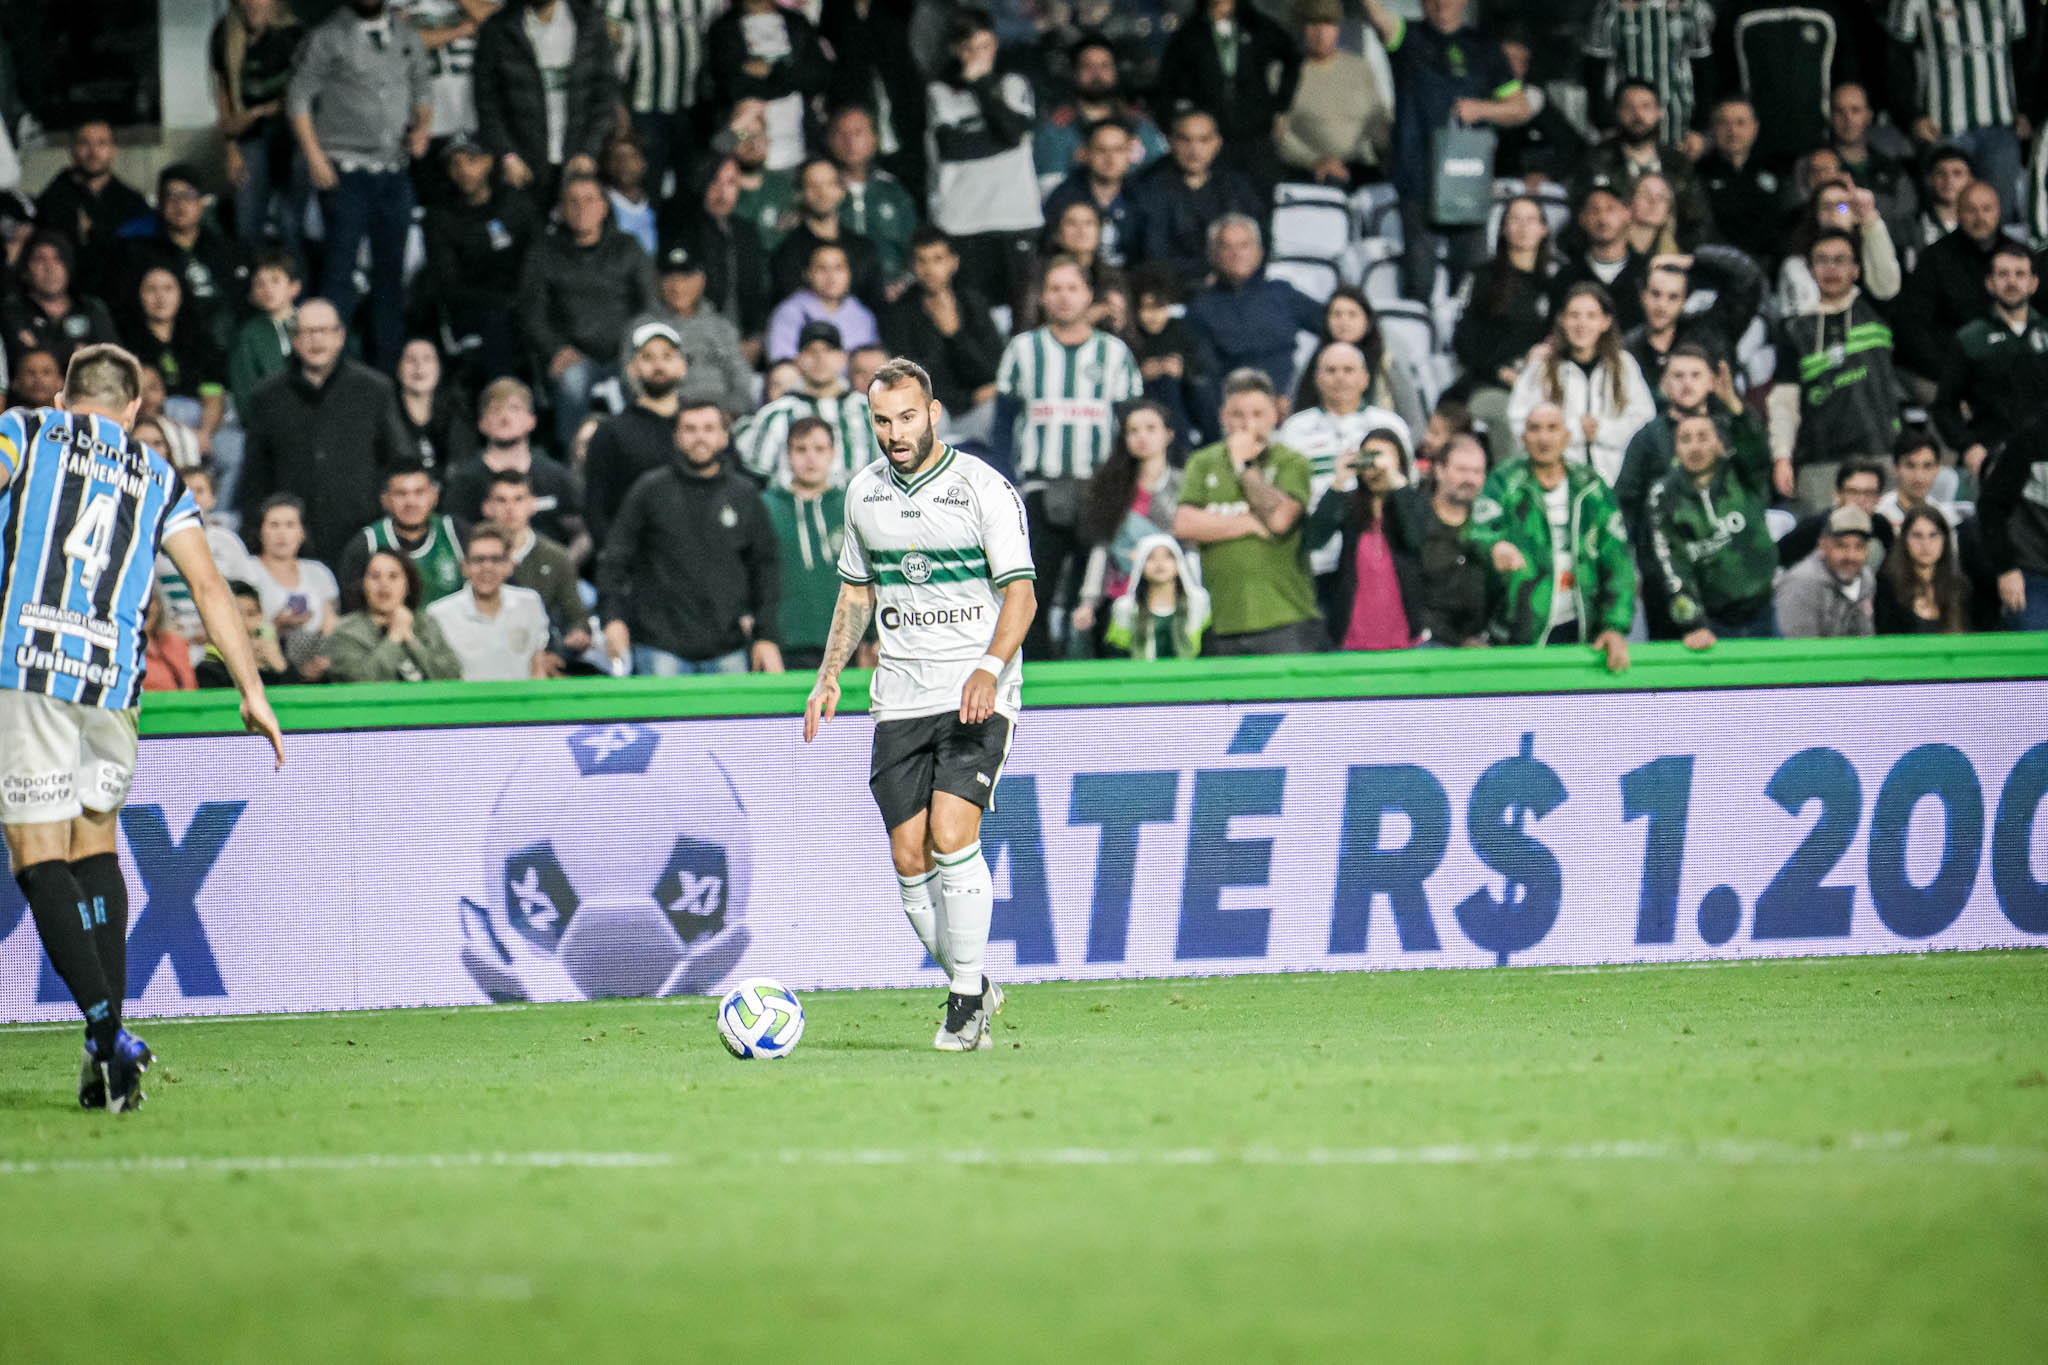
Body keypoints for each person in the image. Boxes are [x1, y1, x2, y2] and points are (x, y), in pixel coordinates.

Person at [0, 343, 283, 1112]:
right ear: (133, 410)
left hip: (29, 662)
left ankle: (105, 1033)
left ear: (65, 396)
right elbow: (208, 583)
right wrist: (252, 688)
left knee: (37, 853)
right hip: (114, 682)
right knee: (95, 843)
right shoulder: (160, 477)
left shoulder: (26, 431)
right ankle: (105, 1063)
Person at [802, 356, 1036, 1050]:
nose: (895, 431)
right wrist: (828, 675)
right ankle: (977, 980)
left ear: (934, 414)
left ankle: (964, 1004)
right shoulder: (863, 493)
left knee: (951, 833)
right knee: (910, 857)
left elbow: (1020, 592)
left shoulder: (982, 488)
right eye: (882, 419)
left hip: (974, 689)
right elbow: (856, 593)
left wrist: (991, 668)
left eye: (908, 416)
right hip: (899, 696)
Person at [992, 257, 1144, 657]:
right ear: (1042, 297)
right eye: (1055, 288)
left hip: (1099, 491)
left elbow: (1131, 423)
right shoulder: (1023, 351)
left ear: (1088, 295)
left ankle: (1101, 684)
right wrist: (1007, 482)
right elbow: (1003, 424)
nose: (1063, 297)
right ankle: (1039, 681)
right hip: (1041, 489)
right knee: (1032, 592)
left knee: (1096, 593)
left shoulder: (1115, 354)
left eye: (1072, 288)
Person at [287, 0, 432, 373]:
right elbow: (298, 97)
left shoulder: (405, 34)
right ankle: (330, 371)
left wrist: (423, 127)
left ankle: (385, 375)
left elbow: (422, 86)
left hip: (394, 170)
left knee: (391, 277)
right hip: (345, 170)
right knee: (339, 275)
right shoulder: (329, 36)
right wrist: (315, 157)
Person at [1360, 0, 1531, 303]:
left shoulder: (1485, 48)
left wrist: (1481, 109)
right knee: (1419, 280)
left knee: (1470, 282)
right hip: (1417, 178)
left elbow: (1520, 108)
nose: (1441, 4)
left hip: (1466, 179)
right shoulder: (1407, 36)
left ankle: (1464, 343)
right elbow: (1378, 16)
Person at [599, 399, 783, 676]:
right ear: (677, 437)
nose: (700, 437)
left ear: (724, 437)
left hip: (729, 646)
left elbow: (766, 567)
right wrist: (612, 617)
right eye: (690, 429)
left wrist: (766, 635)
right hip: (658, 647)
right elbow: (614, 557)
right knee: (661, 720)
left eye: (709, 428)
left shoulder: (744, 494)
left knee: (732, 722)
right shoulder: (650, 490)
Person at [235, 299, 413, 565]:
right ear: (294, 340)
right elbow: (256, 476)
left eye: (324, 331)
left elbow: (397, 460)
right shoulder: (267, 397)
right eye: (307, 332)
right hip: (292, 542)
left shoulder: (375, 390)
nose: (315, 340)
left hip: (362, 534)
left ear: (340, 336)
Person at [1465, 402, 1634, 671]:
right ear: (1523, 438)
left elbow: (1619, 563)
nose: (1544, 437)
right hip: (1517, 633)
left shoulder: (1591, 487)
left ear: (1567, 436)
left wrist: (1614, 626)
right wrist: (1494, 547)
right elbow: (1478, 532)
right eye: (1535, 429)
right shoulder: (1503, 482)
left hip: (1581, 630)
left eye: (1552, 428)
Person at [1173, 369, 1321, 656]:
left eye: (1257, 414)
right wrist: (1252, 523)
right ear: (1223, 416)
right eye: (1237, 415)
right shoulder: (1202, 462)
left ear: (1275, 415)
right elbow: (1184, 524)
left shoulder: (1292, 462)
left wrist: (1245, 467)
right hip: (1220, 621)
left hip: (1286, 618)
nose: (1247, 424)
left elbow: (1279, 520)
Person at [518, 170, 658, 455]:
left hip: (626, 351)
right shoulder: (543, 253)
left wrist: (637, 350)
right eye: (573, 201)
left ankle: (641, 456)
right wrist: (555, 349)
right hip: (573, 354)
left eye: (589, 199)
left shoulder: (628, 247)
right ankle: (573, 462)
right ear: (560, 209)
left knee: (647, 377)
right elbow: (531, 313)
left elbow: (650, 305)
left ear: (604, 207)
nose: (582, 208)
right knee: (572, 381)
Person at [1768, 228, 1906, 513]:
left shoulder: (1877, 309)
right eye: (1822, 260)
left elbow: (1888, 279)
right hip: (1820, 461)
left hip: (1881, 451)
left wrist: (1870, 220)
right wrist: (1782, 455)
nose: (1831, 269)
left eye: (1840, 260)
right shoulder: (1794, 329)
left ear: (1857, 269)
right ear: (1809, 268)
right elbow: (1784, 400)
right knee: (1828, 544)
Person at [923, 7, 1042, 306]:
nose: (978, 56)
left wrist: (981, 84)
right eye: (969, 48)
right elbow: (953, 148)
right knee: (974, 312)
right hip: (962, 223)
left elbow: (1013, 132)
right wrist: (999, 136)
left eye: (985, 47)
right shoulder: (940, 92)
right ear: (954, 50)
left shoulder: (1014, 85)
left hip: (1014, 218)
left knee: (1020, 310)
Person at [1645, 412, 1780, 648]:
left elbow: (1756, 446)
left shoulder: (1741, 472)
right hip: (1712, 623)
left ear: (1719, 442)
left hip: (1765, 609)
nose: (1694, 446)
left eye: (1703, 437)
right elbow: (1671, 567)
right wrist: (1693, 624)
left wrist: (1737, 409)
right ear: (1675, 448)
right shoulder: (1662, 496)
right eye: (1685, 439)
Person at [1887, 0, 2026, 223]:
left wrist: (2027, 109)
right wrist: (1911, 116)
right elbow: (1894, 59)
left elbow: (2024, 54)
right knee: (1944, 219)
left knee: (1999, 218)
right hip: (1943, 127)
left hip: (2000, 128)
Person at [472, 0, 615, 211]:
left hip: (577, 160)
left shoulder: (589, 23)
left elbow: (605, 94)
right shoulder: (498, 28)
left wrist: (588, 150)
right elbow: (487, 102)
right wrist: (507, 154)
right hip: (522, 164)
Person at [1508, 283, 1656, 487]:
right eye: (1574, 315)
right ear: (1561, 320)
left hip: (1616, 479)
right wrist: (1573, 432)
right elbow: (1519, 423)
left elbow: (1644, 422)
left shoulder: (1624, 365)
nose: (1581, 324)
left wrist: (1601, 431)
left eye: (1591, 316)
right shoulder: (1541, 368)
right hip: (1556, 480)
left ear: (1605, 322)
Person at [422, 136, 542, 385]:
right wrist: (503, 302)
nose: (464, 170)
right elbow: (448, 282)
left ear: (488, 162)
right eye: (455, 164)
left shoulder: (515, 203)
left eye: (471, 160)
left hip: (525, 299)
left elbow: (539, 257)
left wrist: (522, 298)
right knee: (496, 323)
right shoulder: (440, 217)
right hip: (476, 307)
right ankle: (504, 395)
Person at [1069, 401, 1185, 651]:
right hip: (1122, 604)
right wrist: (1088, 602)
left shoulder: (1183, 485)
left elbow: (1192, 548)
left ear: (1169, 435)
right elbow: (1102, 552)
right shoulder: (1109, 490)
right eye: (1133, 431)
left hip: (1173, 602)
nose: (1141, 437)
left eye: (1151, 428)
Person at [1452, 196, 1555, 464]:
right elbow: (1463, 340)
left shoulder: (1554, 284)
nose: (1522, 227)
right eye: (1514, 220)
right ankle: (1510, 494)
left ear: (1544, 229)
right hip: (1488, 383)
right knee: (1508, 416)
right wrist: (1499, 372)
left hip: (1541, 384)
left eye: (1531, 220)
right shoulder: (1481, 277)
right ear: (1503, 228)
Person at [1934, 242, 2048, 480]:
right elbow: (1945, 407)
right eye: (2003, 274)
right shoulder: (1971, 338)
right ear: (1990, 283)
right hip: (1995, 460)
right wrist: (1969, 447)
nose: (2012, 282)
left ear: (2033, 283)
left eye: (2020, 274)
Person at [1155, 0, 1302, 183]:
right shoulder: (1190, 32)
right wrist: (1174, 123)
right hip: (1210, 136)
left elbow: (1292, 57)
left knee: (1263, 189)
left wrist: (1280, 106)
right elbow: (1167, 82)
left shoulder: (1256, 25)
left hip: (1256, 131)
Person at [1124, 108, 1265, 295]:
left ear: (1217, 142)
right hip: (1174, 291)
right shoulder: (1148, 188)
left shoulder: (1237, 186)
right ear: (1171, 141)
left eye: (1203, 140)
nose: (1194, 149)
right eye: (1185, 140)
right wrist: (1207, 274)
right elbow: (1154, 254)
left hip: (1238, 286)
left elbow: (1259, 242)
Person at [213, 0, 312, 262]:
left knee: (289, 224)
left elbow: (310, 95)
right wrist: (230, 149)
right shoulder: (224, 34)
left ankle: (294, 294)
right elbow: (224, 99)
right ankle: (250, 291)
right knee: (246, 224)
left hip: (293, 136)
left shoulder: (293, 34)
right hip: (249, 135)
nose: (253, 3)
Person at [1186, 214, 1325, 401]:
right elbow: (1207, 375)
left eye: (1244, 245)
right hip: (1234, 408)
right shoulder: (1200, 309)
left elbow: (1334, 326)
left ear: (1258, 252)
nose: (1236, 254)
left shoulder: (1282, 293)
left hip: (1292, 401)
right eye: (1227, 247)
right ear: (1213, 255)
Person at [882, 228, 1004, 441]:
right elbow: (911, 379)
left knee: (999, 410)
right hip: (933, 413)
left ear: (953, 263)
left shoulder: (972, 304)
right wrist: (970, 397)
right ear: (913, 265)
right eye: (922, 261)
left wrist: (954, 335)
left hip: (976, 413)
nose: (929, 269)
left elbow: (992, 370)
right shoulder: (900, 313)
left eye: (937, 259)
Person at [443, 377, 589, 553]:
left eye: (514, 408)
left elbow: (584, 533)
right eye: (496, 410)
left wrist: (563, 568)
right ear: (482, 423)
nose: (505, 417)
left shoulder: (556, 476)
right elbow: (453, 538)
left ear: (531, 420)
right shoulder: (465, 482)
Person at [1305, 427, 1419, 650]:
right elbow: (1314, 539)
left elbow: (1416, 538)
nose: (1375, 466)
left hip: (1404, 632)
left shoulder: (1414, 500)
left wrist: (1396, 483)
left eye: (1382, 456)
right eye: (1368, 457)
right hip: (1354, 632)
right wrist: (1338, 483)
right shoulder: (1348, 504)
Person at [1893, 180, 2010, 388]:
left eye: (1987, 209)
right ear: (1957, 214)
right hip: (1944, 366)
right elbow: (1913, 328)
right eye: (1970, 210)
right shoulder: (1935, 258)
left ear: (1999, 211)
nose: (1980, 217)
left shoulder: (2018, 258)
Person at [738, 321, 881, 487]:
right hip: (794, 511)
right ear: (798, 359)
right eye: (810, 351)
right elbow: (756, 477)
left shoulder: (869, 411)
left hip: (858, 510)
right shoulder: (775, 414)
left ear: (843, 358)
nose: (819, 358)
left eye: (828, 350)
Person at [1576, 81, 1716, 250]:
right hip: (1611, 255)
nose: (1638, 115)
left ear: (1660, 113)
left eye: (1646, 106)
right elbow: (1581, 219)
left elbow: (1699, 221)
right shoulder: (1595, 161)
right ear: (1617, 113)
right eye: (1629, 107)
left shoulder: (1678, 163)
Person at [619, 244, 752, 421]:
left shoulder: (721, 327)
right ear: (657, 280)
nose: (677, 286)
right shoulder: (641, 327)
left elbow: (741, 379)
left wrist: (728, 415)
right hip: (661, 420)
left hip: (719, 420)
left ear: (701, 279)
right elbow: (630, 379)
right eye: (670, 277)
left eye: (686, 277)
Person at [128, 164, 250, 354]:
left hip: (230, 342)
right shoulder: (142, 254)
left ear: (202, 202)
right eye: (171, 197)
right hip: (175, 342)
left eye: (189, 196)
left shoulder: (227, 249)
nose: (180, 204)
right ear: (159, 204)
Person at [586, 321, 688, 543]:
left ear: (682, 366)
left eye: (667, 356)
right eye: (647, 357)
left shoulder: (704, 427)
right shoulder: (611, 432)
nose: (658, 365)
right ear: (632, 369)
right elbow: (596, 510)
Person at [32, 122, 152, 309]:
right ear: (71, 150)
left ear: (113, 150)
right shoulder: (53, 200)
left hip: (125, 301)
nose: (93, 152)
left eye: (101, 143)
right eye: (84, 143)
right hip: (68, 303)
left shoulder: (132, 202)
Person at [701, 0, 829, 172]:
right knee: (725, 148)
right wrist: (790, 79)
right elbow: (731, 85)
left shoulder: (796, 22)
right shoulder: (724, 27)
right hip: (746, 146)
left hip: (800, 149)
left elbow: (818, 76)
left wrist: (771, 71)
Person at [1032, 32, 1169, 193]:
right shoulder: (1055, 131)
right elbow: (1049, 191)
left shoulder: (1140, 125)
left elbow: (1164, 179)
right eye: (1088, 66)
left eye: (1104, 66)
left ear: (1115, 72)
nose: (1097, 74)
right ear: (1074, 73)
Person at [1276, 0, 1392, 187]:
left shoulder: (1360, 69)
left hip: (1359, 170)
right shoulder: (1285, 73)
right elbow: (1279, 132)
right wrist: (1314, 161)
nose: (1321, 33)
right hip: (1307, 175)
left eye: (1329, 23)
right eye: (1314, 24)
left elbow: (1379, 127)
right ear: (1302, 28)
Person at [481, 467, 590, 665]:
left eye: (518, 499)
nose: (510, 508)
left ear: (532, 504)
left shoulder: (556, 556)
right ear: (487, 507)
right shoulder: (473, 555)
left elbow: (576, 614)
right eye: (501, 500)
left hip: (544, 654)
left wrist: (578, 634)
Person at [761, 416, 845, 672]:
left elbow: (871, 575)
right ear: (787, 455)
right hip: (784, 642)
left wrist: (871, 639)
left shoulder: (852, 505)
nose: (810, 458)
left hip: (844, 643)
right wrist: (762, 637)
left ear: (833, 453)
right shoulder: (765, 506)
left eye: (819, 449)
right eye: (801, 449)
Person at [664, 154, 770, 357]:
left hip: (746, 342)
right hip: (699, 343)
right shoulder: (683, 229)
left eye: (731, 183)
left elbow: (759, 291)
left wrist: (756, 338)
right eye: (715, 180)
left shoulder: (746, 232)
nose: (722, 191)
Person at [1622, 248, 1766, 392]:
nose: (1662, 305)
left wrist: (1691, 261)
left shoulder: (1711, 332)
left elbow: (1747, 278)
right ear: (1642, 295)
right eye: (1655, 294)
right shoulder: (1627, 349)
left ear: (1685, 300)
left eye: (1673, 297)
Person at [1582, 0, 1716, 151]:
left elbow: (1704, 75)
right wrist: (1605, 126)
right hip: (1626, 127)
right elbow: (1594, 78)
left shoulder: (1691, 10)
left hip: (1679, 126)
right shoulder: (1609, 11)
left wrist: (1698, 129)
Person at [122, 267, 227, 459]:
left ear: (180, 294)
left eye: (168, 289)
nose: (160, 297)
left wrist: (204, 433)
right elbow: (145, 401)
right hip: (153, 423)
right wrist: (183, 434)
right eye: (151, 289)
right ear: (139, 296)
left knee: (233, 449)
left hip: (202, 421)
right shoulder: (128, 342)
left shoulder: (199, 339)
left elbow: (213, 392)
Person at [337, 458, 467, 610]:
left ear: (434, 495)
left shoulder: (457, 533)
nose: (411, 502)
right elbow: (353, 608)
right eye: (401, 493)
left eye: (419, 492)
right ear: (385, 500)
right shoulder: (366, 544)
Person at [427, 522, 552, 680]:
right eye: (479, 560)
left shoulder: (530, 603)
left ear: (509, 565)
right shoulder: (439, 614)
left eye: (496, 559)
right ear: (464, 567)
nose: (487, 567)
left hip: (522, 702)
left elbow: (537, 669)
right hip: (465, 703)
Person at [323, 547, 466, 680]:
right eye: (375, 576)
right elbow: (358, 681)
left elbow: (451, 675)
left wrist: (411, 639)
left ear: (408, 585)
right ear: (363, 585)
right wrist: (395, 637)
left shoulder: (427, 623)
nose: (384, 584)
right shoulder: (345, 631)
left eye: (393, 576)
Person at [769, 158, 886, 310]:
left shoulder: (863, 249)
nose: (822, 193)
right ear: (800, 194)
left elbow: (877, 305)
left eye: (829, 184)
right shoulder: (787, 253)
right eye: (813, 186)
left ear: (842, 191)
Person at [244, 492, 339, 678]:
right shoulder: (247, 571)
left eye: (290, 525)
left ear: (301, 532)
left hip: (317, 665)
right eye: (274, 525)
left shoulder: (319, 573)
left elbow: (332, 626)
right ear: (261, 531)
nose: (282, 533)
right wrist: (277, 625)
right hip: (264, 666)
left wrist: (319, 662)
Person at [0, 233, 119, 377]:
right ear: (25, 269)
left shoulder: (91, 309)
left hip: (86, 395)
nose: (50, 268)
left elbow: (113, 361)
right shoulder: (10, 312)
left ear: (68, 266)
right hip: (24, 398)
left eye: (58, 259)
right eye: (40, 259)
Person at [828, 105, 920, 283]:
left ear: (874, 139)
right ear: (830, 140)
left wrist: (903, 283)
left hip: (892, 291)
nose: (849, 142)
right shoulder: (819, 191)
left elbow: (915, 249)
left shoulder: (894, 191)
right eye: (841, 134)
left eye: (857, 133)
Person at [1550, 177, 1651, 333]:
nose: (1602, 218)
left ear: (1627, 213)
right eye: (1594, 210)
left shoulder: (1646, 272)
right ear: (1582, 219)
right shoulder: (1567, 277)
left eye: (1610, 208)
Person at [1977, 408, 2048, 630]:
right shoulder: (2029, 441)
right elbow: (1991, 506)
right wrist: (2006, 569)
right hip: (2033, 572)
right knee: (2035, 646)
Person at [1828, 82, 1918, 250]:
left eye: (1855, 110)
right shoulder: (1818, 167)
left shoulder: (1892, 171)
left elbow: (1906, 226)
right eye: (1839, 111)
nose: (1848, 119)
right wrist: (1843, 207)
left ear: (1868, 115)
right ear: (1830, 116)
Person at [1042, 117, 1140, 270]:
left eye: (1118, 150)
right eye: (1101, 150)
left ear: (1129, 154)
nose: (1110, 159)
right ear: (1085, 153)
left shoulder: (1144, 194)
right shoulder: (1063, 198)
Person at [1694, 96, 1779, 267]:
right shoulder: (1698, 173)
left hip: (1770, 268)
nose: (1732, 131)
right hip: (1717, 266)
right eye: (1723, 123)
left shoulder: (1777, 170)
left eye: (1740, 123)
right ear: (1712, 129)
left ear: (1755, 128)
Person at [765, 243, 881, 363]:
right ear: (807, 274)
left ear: (849, 273)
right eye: (822, 268)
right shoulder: (788, 313)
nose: (831, 277)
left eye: (839, 268)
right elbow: (782, 366)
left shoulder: (863, 316)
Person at [1775, 504, 1877, 638]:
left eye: (1859, 547)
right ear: (1823, 546)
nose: (1851, 556)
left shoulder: (1866, 578)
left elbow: (1866, 637)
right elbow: (1798, 648)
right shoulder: (1801, 583)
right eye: (1841, 546)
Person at [1103, 535, 1210, 660]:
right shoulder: (1125, 607)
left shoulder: (1198, 602)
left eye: (1167, 557)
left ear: (1178, 563)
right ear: (1141, 565)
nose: (1160, 564)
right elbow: (1118, 652)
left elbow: (1207, 647)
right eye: (1151, 558)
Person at [1775, 459, 1895, 570]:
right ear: (1837, 494)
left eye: (1869, 493)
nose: (1861, 500)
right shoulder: (1814, 527)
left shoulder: (1881, 527)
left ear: (1879, 498)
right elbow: (1778, 559)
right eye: (1853, 492)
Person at [226, 249, 302, 421]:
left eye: (275, 281)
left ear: (294, 287)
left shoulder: (313, 325)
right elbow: (244, 392)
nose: (267, 289)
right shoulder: (248, 335)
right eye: (259, 283)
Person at [1875, 505, 1972, 634]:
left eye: (1933, 535)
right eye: (1917, 536)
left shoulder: (1960, 587)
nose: (1925, 544)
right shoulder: (1887, 587)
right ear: (1904, 540)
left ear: (1945, 540)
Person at [193, 580, 299, 689]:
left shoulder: (280, 652)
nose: (244, 623)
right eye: (235, 615)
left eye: (252, 614)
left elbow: (299, 698)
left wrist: (280, 666)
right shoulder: (208, 670)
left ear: (262, 615)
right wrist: (250, 666)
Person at [395, 337, 477, 476]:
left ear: (439, 367)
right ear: (398, 368)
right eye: (410, 359)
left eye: (427, 359)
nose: (418, 366)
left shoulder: (458, 417)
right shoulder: (383, 417)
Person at [1875, 431, 1960, 532]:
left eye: (1927, 466)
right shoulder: (1879, 514)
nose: (1919, 477)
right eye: (1910, 466)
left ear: (1937, 469)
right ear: (1894, 468)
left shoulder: (1944, 517)